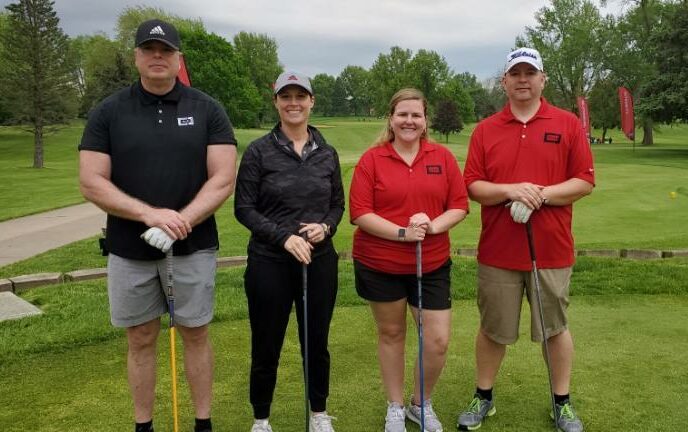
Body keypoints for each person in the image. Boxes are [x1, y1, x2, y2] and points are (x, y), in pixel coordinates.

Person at [79, 19, 237, 432]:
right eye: (149, 50)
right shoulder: (109, 111)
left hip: (194, 244)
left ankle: (204, 424)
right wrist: (150, 215)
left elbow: (223, 177)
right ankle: (143, 426)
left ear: (177, 57)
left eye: (165, 50)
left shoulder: (207, 108)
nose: (157, 57)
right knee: (140, 338)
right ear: (136, 56)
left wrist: (181, 220)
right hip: (129, 249)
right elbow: (91, 180)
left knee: (196, 334)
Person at [456, 48, 594, 432]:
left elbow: (584, 180)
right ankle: (483, 396)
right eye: (515, 73)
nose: (522, 79)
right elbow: (474, 186)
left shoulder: (567, 124)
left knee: (555, 329)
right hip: (498, 252)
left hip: (551, 250)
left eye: (529, 73)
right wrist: (511, 190)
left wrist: (539, 194)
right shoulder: (485, 130)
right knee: (492, 329)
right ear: (504, 81)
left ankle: (561, 402)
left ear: (542, 79)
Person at [349, 88, 469, 432]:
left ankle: (420, 403)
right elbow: (360, 213)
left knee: (437, 340)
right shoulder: (373, 160)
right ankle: (395, 405)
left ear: (425, 120)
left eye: (416, 115)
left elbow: (458, 205)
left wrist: (433, 226)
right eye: (402, 114)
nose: (409, 121)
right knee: (391, 332)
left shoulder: (442, 158)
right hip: (379, 263)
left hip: (430, 264)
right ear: (391, 118)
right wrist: (403, 233)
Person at [234, 71, 344, 432]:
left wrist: (325, 227)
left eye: (301, 96)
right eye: (286, 96)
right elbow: (244, 208)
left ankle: (318, 414)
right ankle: (261, 419)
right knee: (267, 344)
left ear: (312, 101)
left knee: (316, 344)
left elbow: (337, 205)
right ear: (276, 102)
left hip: (319, 260)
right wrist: (284, 237)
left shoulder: (327, 153)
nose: (293, 102)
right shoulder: (258, 151)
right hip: (270, 262)